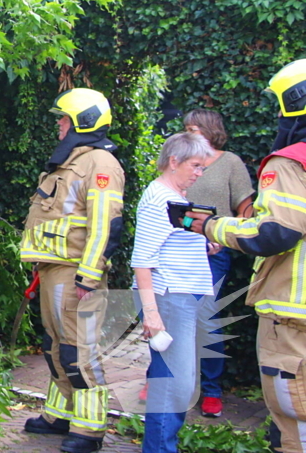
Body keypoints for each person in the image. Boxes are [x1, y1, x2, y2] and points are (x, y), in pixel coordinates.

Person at [190, 59, 306, 453]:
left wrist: (210, 226)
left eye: (279, 104)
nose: (277, 115)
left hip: (292, 312)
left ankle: (210, 392)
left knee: (292, 420)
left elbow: (275, 229)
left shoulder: (290, 162)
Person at [21, 88, 125, 453]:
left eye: (63, 119)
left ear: (83, 121)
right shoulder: (72, 162)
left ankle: (89, 430)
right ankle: (58, 414)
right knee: (53, 345)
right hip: (53, 270)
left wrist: (89, 275)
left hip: (75, 273)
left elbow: (105, 225)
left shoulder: (101, 164)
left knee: (77, 350)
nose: (59, 126)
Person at [131, 132, 215, 453]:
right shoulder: (159, 200)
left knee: (174, 382)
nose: (199, 173)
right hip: (169, 298)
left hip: (179, 297)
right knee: (174, 387)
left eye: (203, 167)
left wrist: (205, 245)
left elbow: (168, 246)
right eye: (195, 166)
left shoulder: (173, 197)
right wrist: (151, 313)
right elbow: (142, 260)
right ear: (173, 161)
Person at [182, 109, 254, 418]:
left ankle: (210, 390)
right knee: (171, 312)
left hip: (213, 252)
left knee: (207, 317)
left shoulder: (231, 163)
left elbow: (247, 209)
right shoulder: (182, 161)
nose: (188, 133)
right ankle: (165, 380)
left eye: (193, 128)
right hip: (179, 250)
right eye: (185, 128)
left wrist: (227, 237)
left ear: (211, 130)